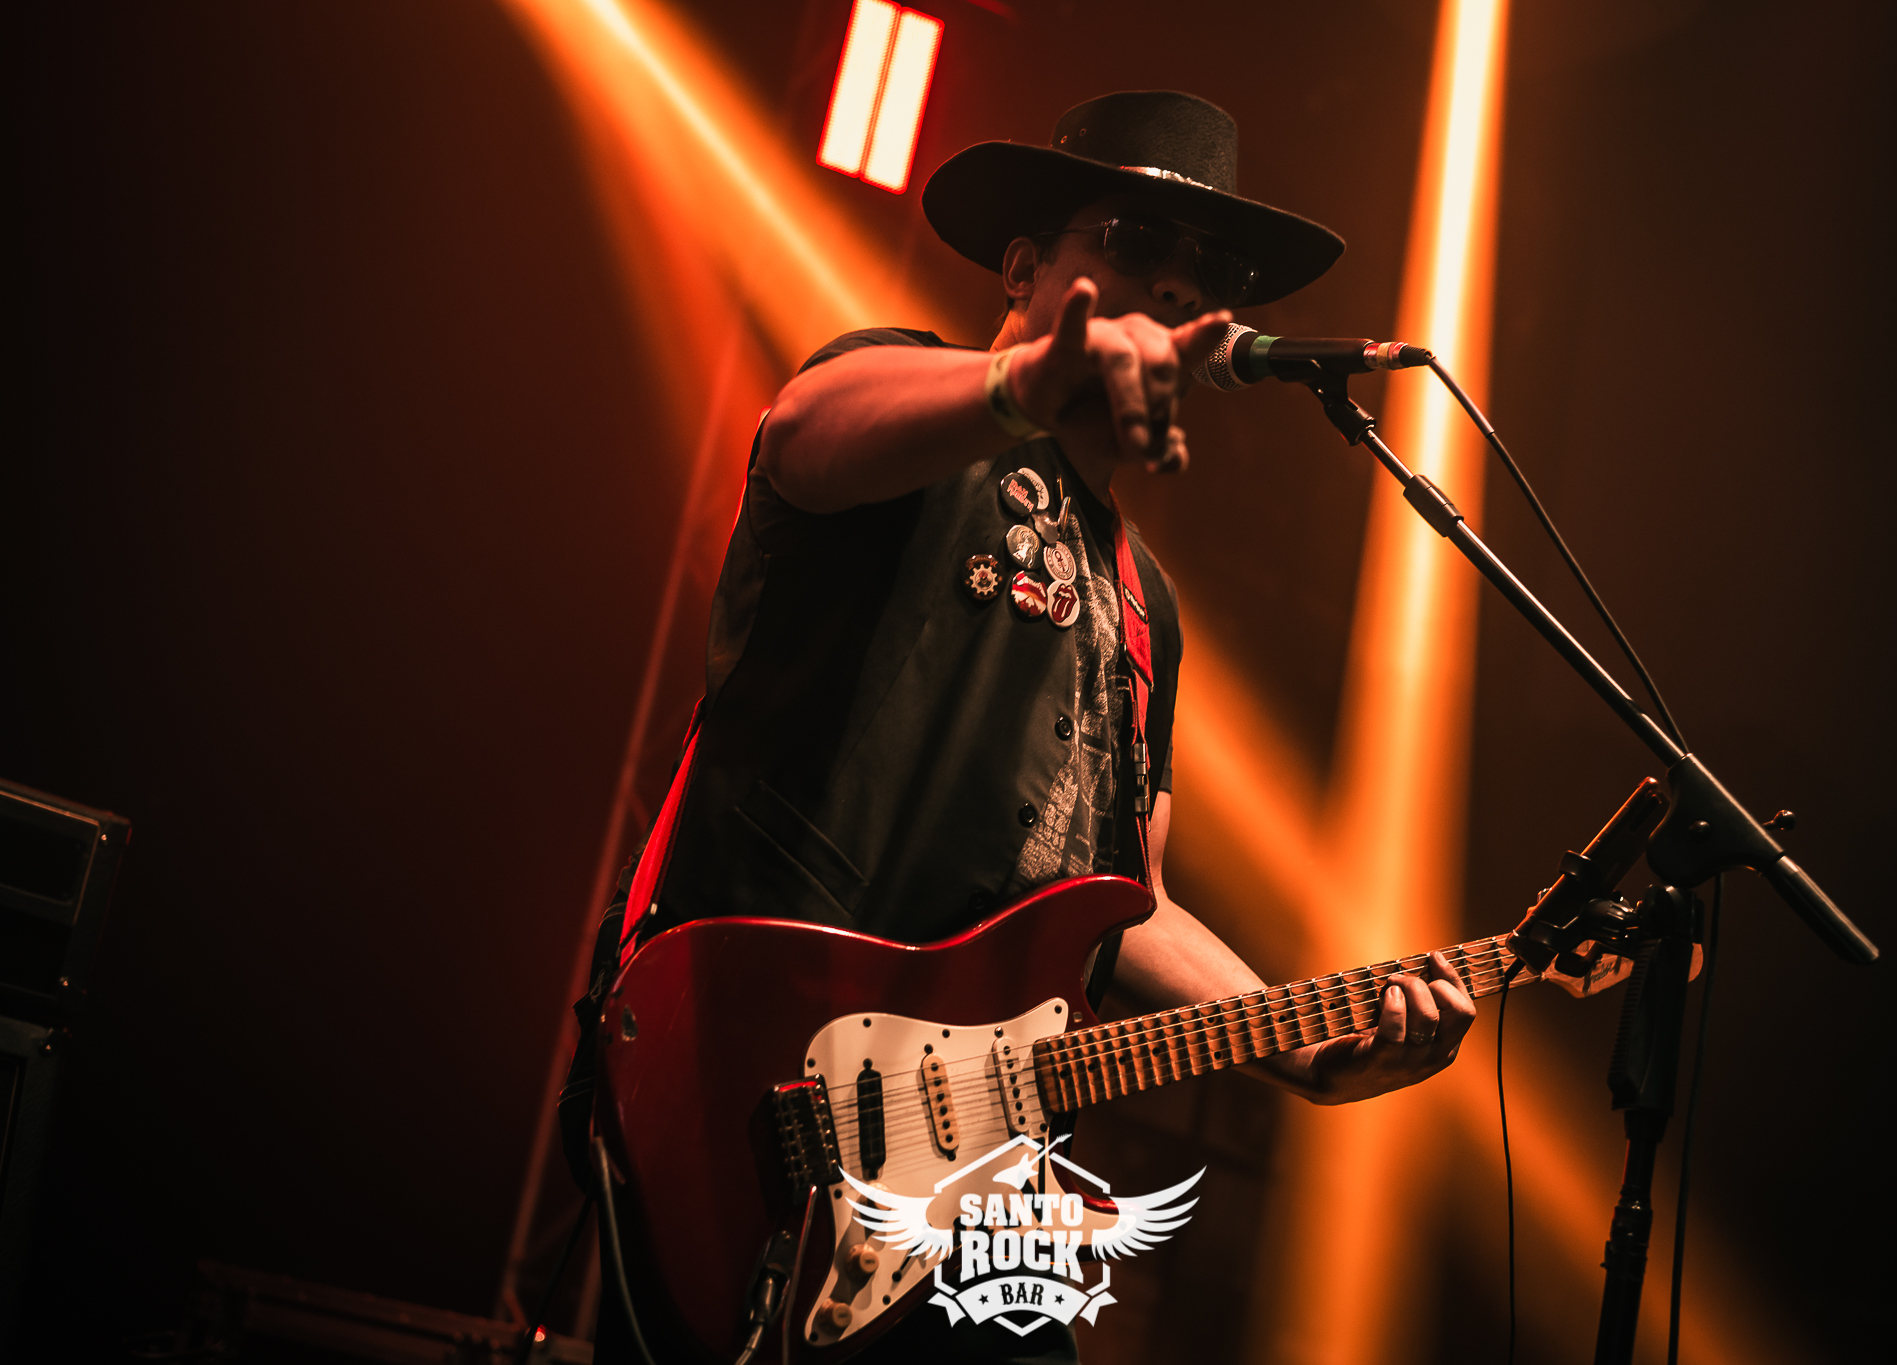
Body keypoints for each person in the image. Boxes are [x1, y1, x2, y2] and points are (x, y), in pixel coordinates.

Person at [571, 91, 1478, 1364]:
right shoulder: (901, 405)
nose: (1176, 284)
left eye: (1209, 270)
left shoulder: (1146, 606)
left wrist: (1297, 1042)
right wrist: (1018, 386)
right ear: (1020, 268)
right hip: (760, 1077)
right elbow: (804, 435)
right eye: (1133, 240)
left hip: (979, 1170)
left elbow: (1128, 904)